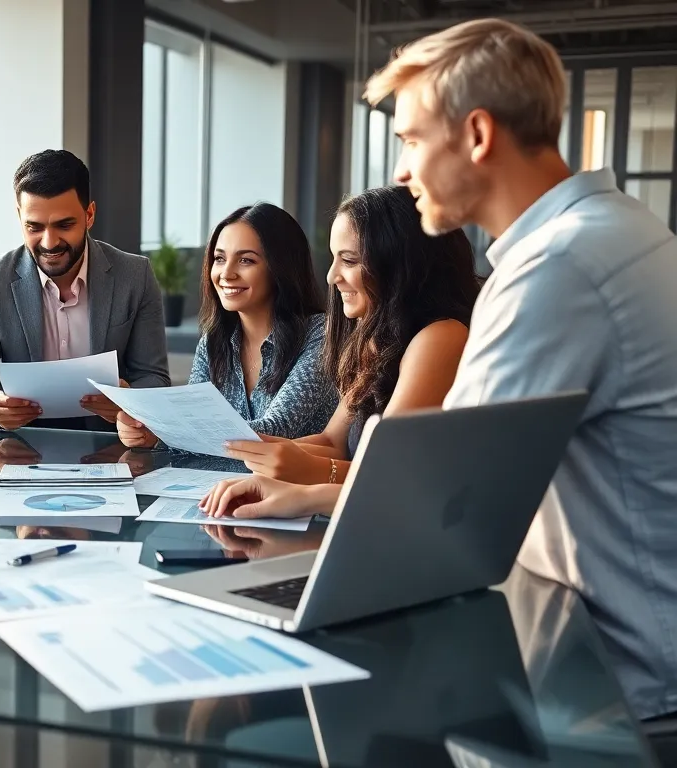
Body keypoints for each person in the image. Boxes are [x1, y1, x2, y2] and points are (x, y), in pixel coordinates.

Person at [211, 19, 677, 723]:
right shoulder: (620, 230)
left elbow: (437, 501)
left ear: (479, 135)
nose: (402, 170)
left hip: (613, 681)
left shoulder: (555, 270)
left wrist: (302, 498)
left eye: (412, 140)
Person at [221, 186, 479, 484]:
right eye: (334, 259)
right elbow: (334, 442)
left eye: (349, 261)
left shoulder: (441, 337)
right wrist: (266, 452)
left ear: (397, 263)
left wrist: (303, 470)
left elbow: (387, 471)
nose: (332, 277)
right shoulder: (375, 340)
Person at [0, 149, 171, 431]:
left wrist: (128, 399)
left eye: (64, 225)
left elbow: (154, 377)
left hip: (112, 445)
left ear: (90, 215)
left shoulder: (135, 275)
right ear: (19, 215)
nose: (49, 242)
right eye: (33, 227)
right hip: (19, 448)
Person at [116, 203, 335, 449]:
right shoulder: (212, 342)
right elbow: (190, 421)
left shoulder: (321, 335)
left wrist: (165, 428)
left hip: (293, 484)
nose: (226, 273)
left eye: (246, 260)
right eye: (219, 258)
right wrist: (148, 432)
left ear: (281, 267)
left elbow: (279, 428)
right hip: (218, 483)